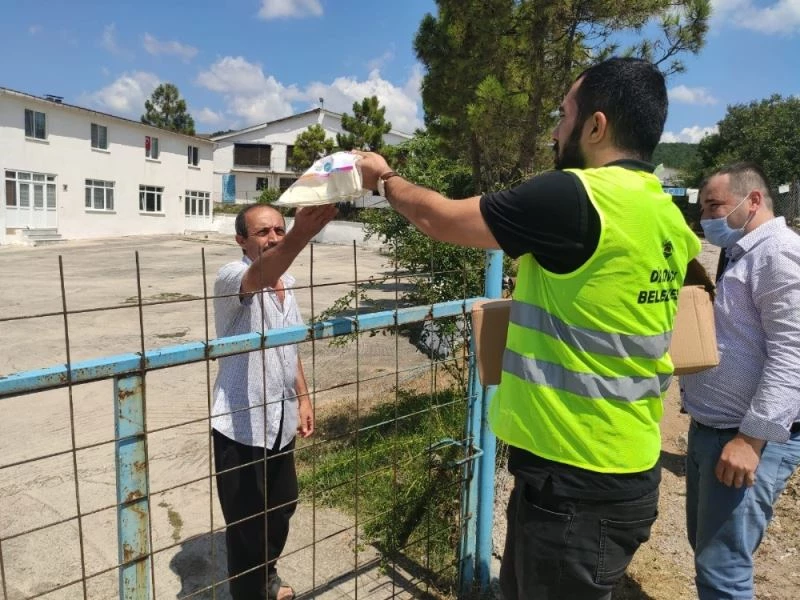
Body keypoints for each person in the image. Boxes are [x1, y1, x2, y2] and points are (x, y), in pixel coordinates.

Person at [355, 56, 701, 600]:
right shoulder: (665, 214)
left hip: (575, 484)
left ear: (596, 125)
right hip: (617, 466)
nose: (555, 129)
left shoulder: (576, 196)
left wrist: (385, 179)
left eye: (564, 115)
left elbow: (439, 218)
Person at [681, 162, 800, 600]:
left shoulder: (779, 254)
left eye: (715, 206)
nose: (707, 219)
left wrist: (750, 440)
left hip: (745, 438)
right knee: (709, 550)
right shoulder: (743, 252)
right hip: (714, 431)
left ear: (753, 201)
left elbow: (794, 354)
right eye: (704, 209)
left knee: (723, 569)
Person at [212, 203, 336, 600]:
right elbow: (258, 275)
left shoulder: (291, 283)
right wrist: (302, 234)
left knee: (282, 506)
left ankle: (266, 577)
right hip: (241, 425)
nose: (274, 238)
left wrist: (303, 397)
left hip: (280, 421)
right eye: (263, 232)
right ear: (241, 241)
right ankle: (250, 592)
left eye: (280, 230)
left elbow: (289, 347)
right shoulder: (231, 276)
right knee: (246, 524)